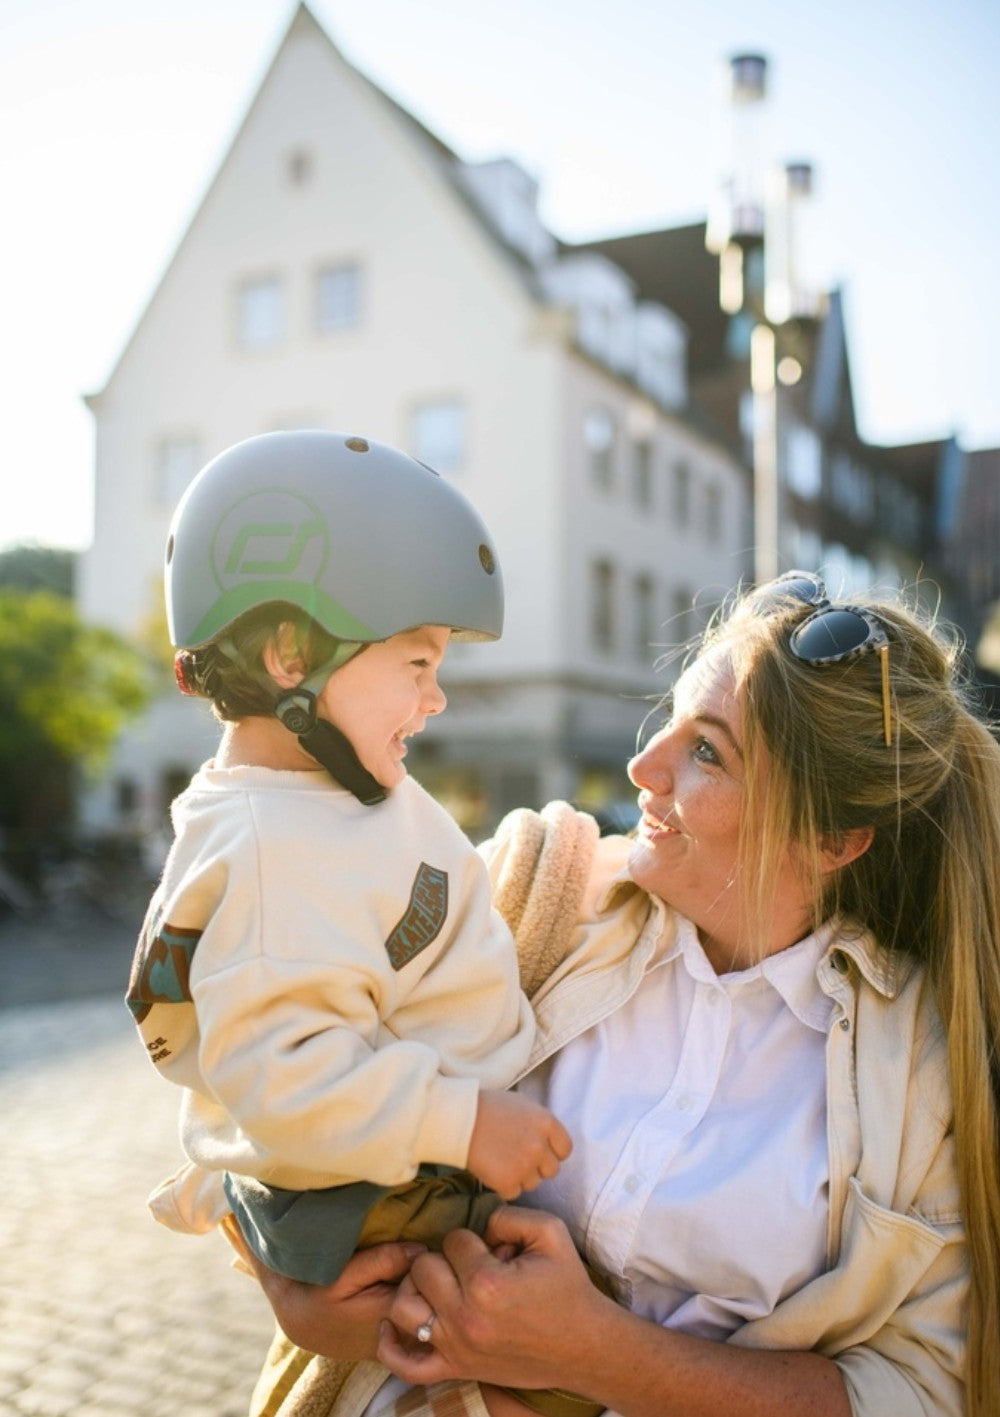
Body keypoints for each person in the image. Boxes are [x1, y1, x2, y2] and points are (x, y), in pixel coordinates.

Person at [243, 569, 1000, 1417]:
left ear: (833, 839)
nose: (644, 766)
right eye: (671, 718)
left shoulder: (920, 1070)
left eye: (707, 751)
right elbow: (252, 1036)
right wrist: (291, 1288)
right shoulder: (527, 894)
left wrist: (596, 1352)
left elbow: (923, 1391)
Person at [125, 429, 602, 1417]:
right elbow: (284, 1075)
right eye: (416, 662)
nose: (434, 698)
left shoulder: (321, 795)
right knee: (562, 1372)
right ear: (292, 655)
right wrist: (465, 1121)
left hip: (402, 1164)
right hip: (394, 1191)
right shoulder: (273, 852)